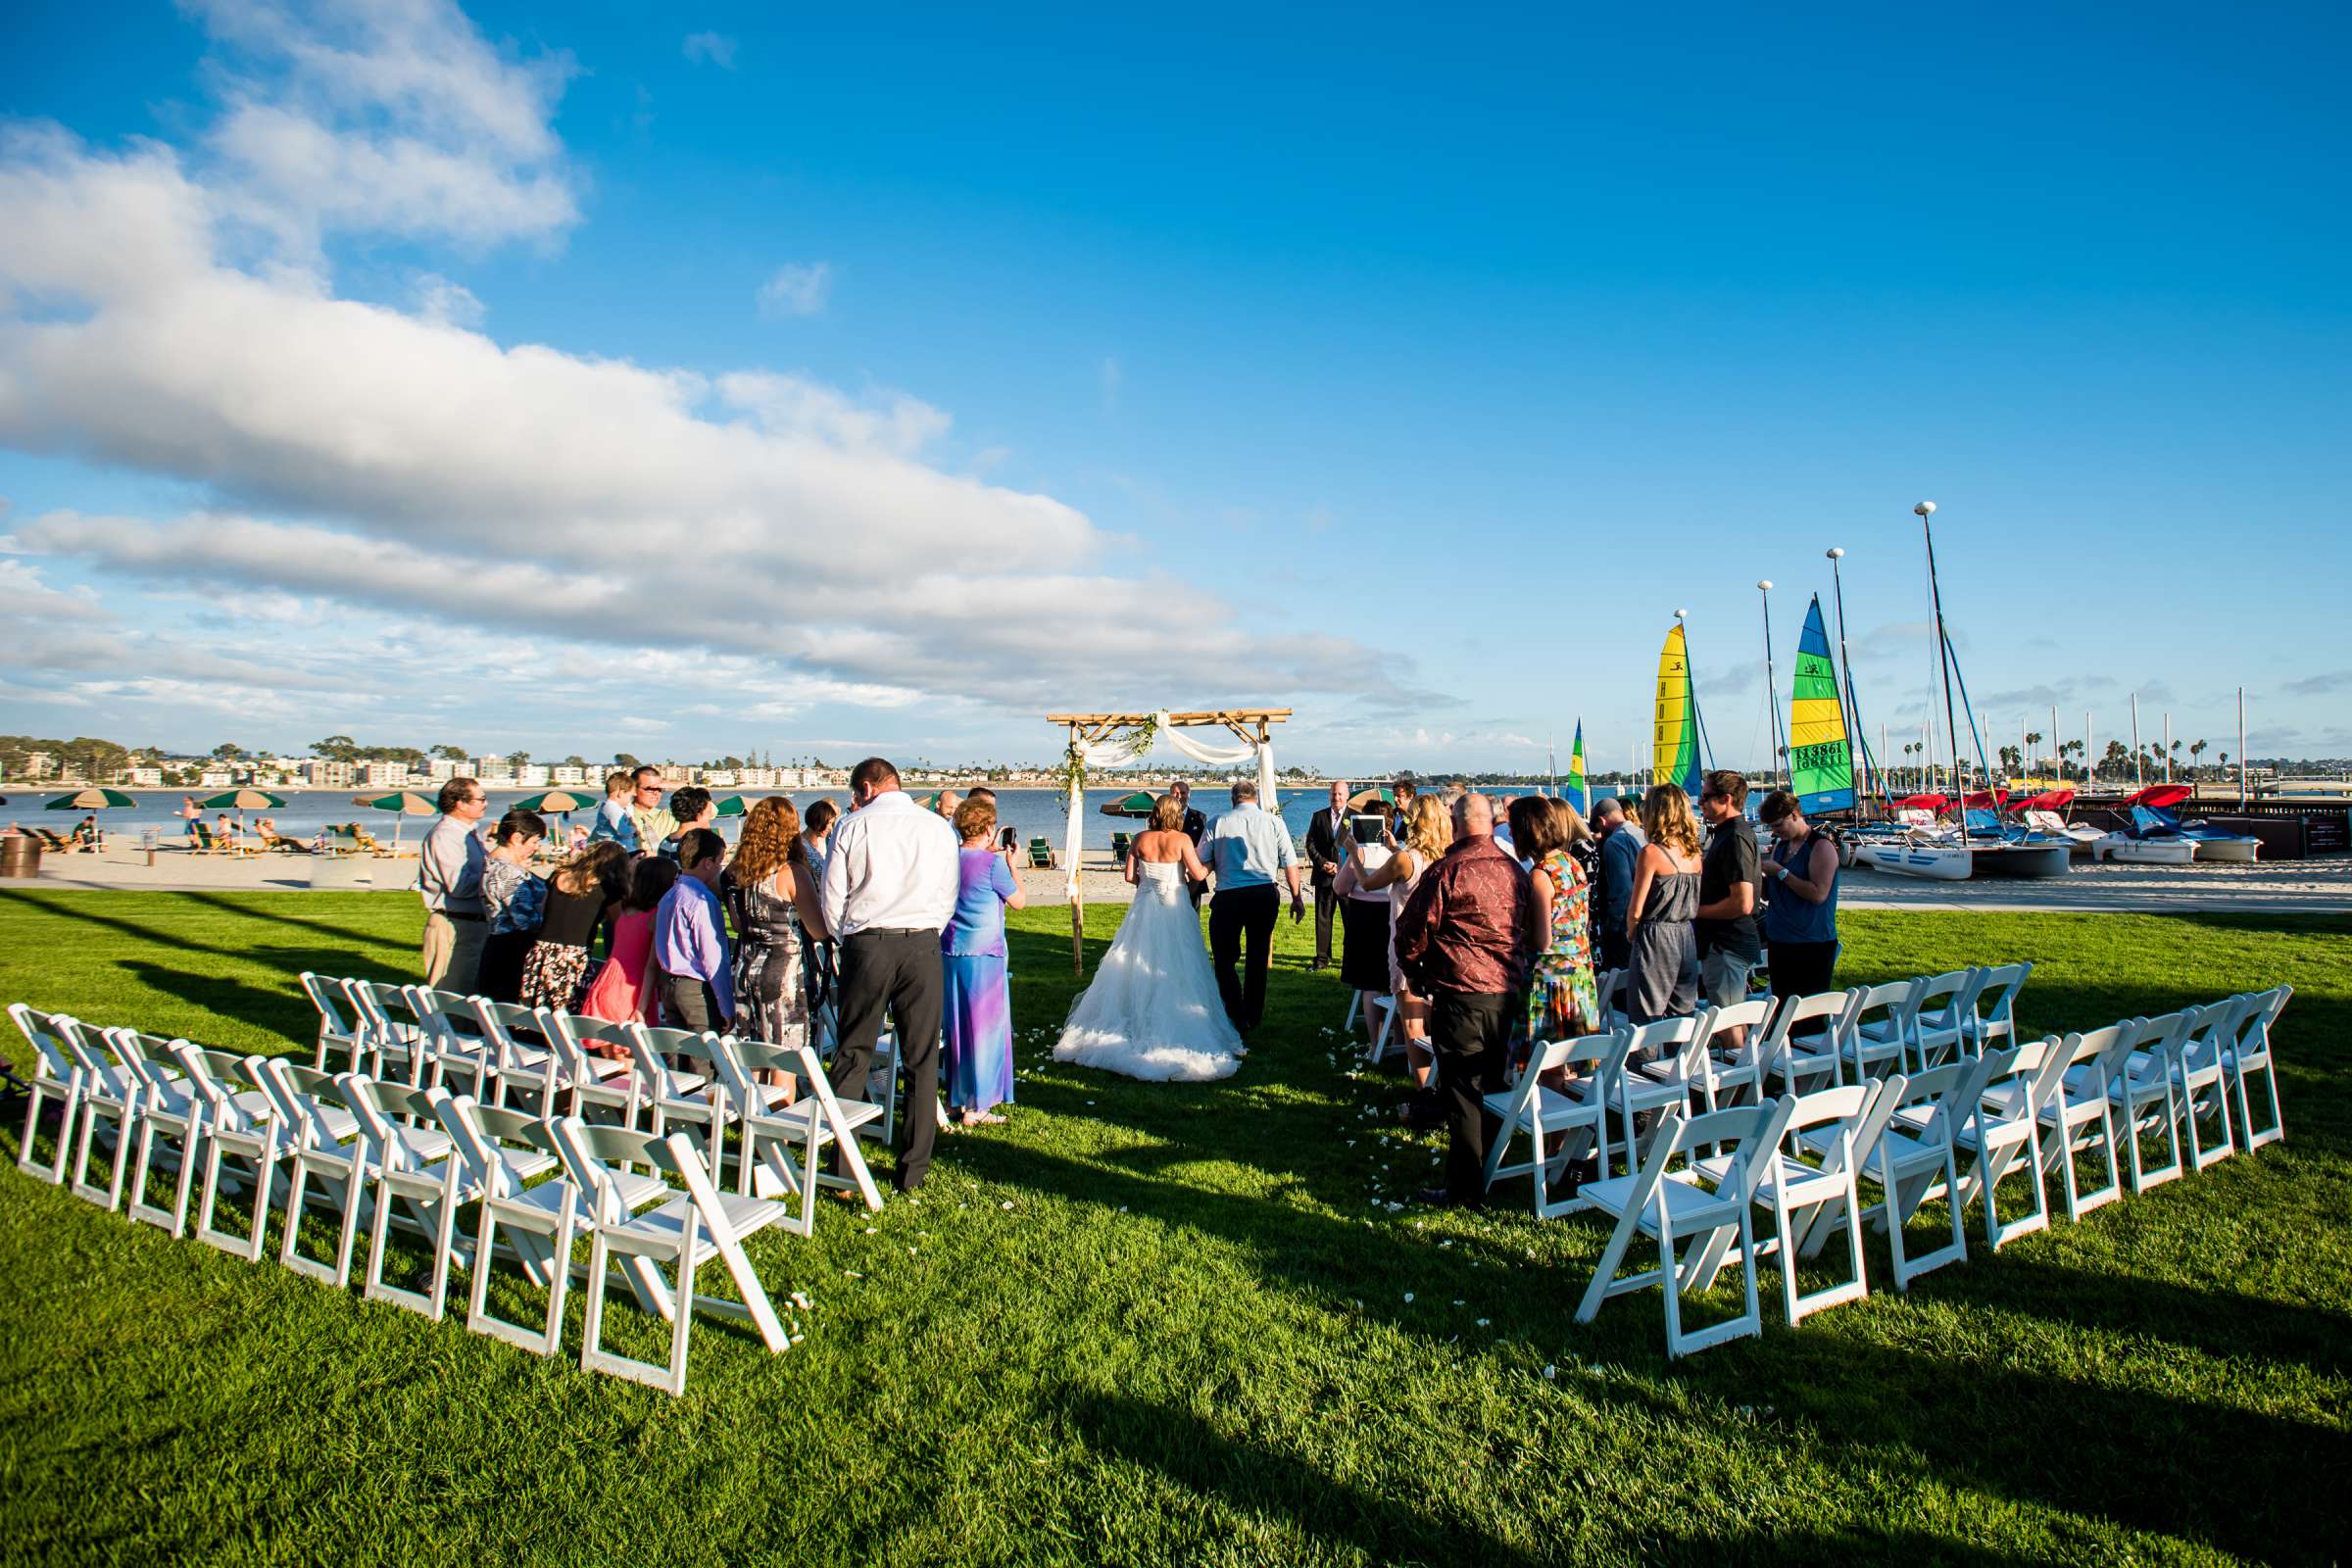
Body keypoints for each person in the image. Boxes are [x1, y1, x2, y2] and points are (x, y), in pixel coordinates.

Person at [820, 757, 959, 1195]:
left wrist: (846, 936)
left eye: (852, 792)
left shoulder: (851, 826)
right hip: (921, 942)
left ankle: (843, 1166)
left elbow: (832, 898)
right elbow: (947, 893)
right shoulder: (937, 827)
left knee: (852, 1051)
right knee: (921, 1058)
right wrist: (927, 930)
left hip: (868, 943)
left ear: (866, 788)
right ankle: (912, 1170)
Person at [1394, 793, 1536, 1207]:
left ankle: (1467, 1187)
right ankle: (1491, 1169)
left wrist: (1416, 970)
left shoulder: (1448, 870)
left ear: (1456, 824)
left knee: (1463, 1094)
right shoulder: (1515, 869)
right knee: (1493, 1085)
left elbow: (1411, 931)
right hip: (1507, 991)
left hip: (1461, 993)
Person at [1055, 792, 1242, 1079]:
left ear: (1155, 813)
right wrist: (1213, 863)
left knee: (1133, 959)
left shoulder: (1140, 839)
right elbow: (1198, 875)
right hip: (1175, 908)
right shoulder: (1181, 840)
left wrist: (1149, 883)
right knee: (1181, 964)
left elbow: (1130, 876)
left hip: (1144, 906)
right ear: (1176, 814)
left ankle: (1131, 1017)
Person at [1347, 793, 1452, 1114]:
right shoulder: (1448, 856)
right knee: (1439, 1023)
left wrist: (1353, 853)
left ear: (1416, 821)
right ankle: (1444, 1087)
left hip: (1409, 946)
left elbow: (1366, 883)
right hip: (1441, 947)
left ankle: (1424, 1096)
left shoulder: (1407, 858)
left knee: (1413, 1025)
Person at [943, 797, 1025, 1124]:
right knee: (985, 1031)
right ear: (990, 829)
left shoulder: (948, 860)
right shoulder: (993, 866)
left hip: (950, 950)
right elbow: (1019, 901)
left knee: (957, 1028)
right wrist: (1013, 865)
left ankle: (956, 1096)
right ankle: (978, 1106)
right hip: (984, 953)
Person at [726, 797, 826, 1054]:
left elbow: (737, 924)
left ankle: (755, 1095)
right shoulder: (790, 873)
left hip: (746, 966)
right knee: (786, 1058)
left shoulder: (737, 872)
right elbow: (818, 929)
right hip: (785, 973)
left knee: (754, 1054)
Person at [1203, 779, 1303, 1035]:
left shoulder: (1217, 822)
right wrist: (1296, 897)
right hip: (1263, 893)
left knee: (1224, 958)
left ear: (1233, 798)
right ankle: (1253, 1014)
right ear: (1255, 798)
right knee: (1258, 956)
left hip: (1229, 895)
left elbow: (1203, 861)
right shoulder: (1274, 822)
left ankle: (1236, 1011)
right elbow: (1290, 863)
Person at [1511, 796, 1600, 1051]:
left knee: (1548, 1062)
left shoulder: (1541, 875)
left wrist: (1514, 932)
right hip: (1579, 971)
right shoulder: (1571, 863)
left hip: (1551, 978)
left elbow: (1542, 939)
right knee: (1574, 1055)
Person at [521, 839, 631, 1012]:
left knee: (537, 1012)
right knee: (567, 1015)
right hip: (574, 957)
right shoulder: (607, 889)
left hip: (542, 952)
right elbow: (619, 924)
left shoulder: (558, 876)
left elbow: (543, 909)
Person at [1693, 771, 1764, 1040]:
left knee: (1727, 1020)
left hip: (1727, 943)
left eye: (1706, 797)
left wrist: (1697, 911)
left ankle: (1740, 1078)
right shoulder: (1728, 834)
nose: (1700, 803)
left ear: (1726, 799)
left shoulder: (1735, 837)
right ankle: (1745, 1072)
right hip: (1725, 942)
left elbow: (1742, 902)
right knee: (1730, 1016)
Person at [1626, 784, 1703, 1024]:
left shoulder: (1651, 853)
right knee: (1682, 1011)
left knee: (1646, 1012)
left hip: (1655, 934)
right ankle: (1679, 1059)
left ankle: (1643, 1061)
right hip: (1686, 933)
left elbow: (1636, 907)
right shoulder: (1694, 854)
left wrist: (1632, 932)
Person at [1759, 790, 1840, 1001]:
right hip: (1779, 941)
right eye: (1771, 827)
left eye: (1778, 825)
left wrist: (1781, 872)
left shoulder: (1820, 846)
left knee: (1807, 1014)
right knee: (1782, 1007)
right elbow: (1770, 894)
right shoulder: (1781, 847)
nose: (1775, 832)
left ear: (1794, 814)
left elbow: (1818, 894)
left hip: (1811, 944)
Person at [579, 856, 675, 1033]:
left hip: (608, 981)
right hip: (633, 990)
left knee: (610, 1051)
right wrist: (642, 1007)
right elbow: (651, 967)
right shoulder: (656, 916)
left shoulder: (626, 911)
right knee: (629, 1053)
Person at [654, 826, 733, 1031]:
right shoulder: (702, 901)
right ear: (708, 863)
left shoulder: (669, 896)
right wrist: (726, 1007)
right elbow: (712, 957)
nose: (719, 868)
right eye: (719, 862)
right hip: (694, 988)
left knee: (676, 1054)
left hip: (668, 983)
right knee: (703, 1057)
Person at [418, 776, 489, 990]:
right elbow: (459, 885)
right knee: (450, 997)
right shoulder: (445, 835)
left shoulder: (468, 834)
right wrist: (496, 875)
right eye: (481, 799)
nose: (486, 804)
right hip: (454, 924)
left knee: (471, 1000)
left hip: (474, 925)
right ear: (460, 803)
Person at [1332, 800, 1395, 1038]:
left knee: (1369, 982)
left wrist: (1349, 857)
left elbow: (1339, 887)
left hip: (1364, 918)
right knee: (1389, 978)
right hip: (1390, 916)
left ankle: (1375, 1040)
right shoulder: (1396, 853)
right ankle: (1397, 1037)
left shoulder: (1360, 854)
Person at [475, 808, 549, 1003]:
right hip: (512, 951)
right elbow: (525, 921)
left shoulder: (492, 863)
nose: (536, 848)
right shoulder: (507, 872)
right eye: (534, 842)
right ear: (517, 838)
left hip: (500, 946)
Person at [1593, 796, 1647, 974]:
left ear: (1602, 821)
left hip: (1625, 925)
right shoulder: (1643, 834)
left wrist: (1611, 930)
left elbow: (1621, 892)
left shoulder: (1615, 843)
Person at [1301, 779, 1350, 971]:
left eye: (1339, 794)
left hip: (1347, 877)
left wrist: (1341, 866)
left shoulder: (1355, 817)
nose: (1336, 797)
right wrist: (1322, 863)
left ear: (1347, 795)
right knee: (1323, 919)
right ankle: (1322, 959)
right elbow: (1310, 844)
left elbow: (1360, 848)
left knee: (1350, 920)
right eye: (1333, 793)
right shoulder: (1319, 816)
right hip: (1323, 876)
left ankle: (1350, 960)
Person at [1169, 779, 1207, 905]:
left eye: (1183, 793)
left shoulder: (1200, 817)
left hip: (1193, 877)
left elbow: (1203, 846)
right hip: (1169, 875)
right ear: (1170, 795)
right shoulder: (1162, 818)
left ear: (1189, 794)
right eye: (1175, 793)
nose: (1179, 796)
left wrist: (1190, 870)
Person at [657, 786, 714, 863]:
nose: (711, 815)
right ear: (698, 813)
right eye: (709, 811)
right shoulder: (698, 846)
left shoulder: (665, 843)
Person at [589, 769, 641, 853]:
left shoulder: (607, 806)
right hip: (618, 851)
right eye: (630, 796)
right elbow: (623, 831)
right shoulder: (613, 809)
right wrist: (634, 829)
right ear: (621, 793)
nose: (630, 801)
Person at [628, 766, 675, 852]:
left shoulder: (669, 816)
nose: (655, 793)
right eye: (649, 789)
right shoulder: (621, 817)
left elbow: (700, 801)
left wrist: (670, 785)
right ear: (633, 790)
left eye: (659, 789)